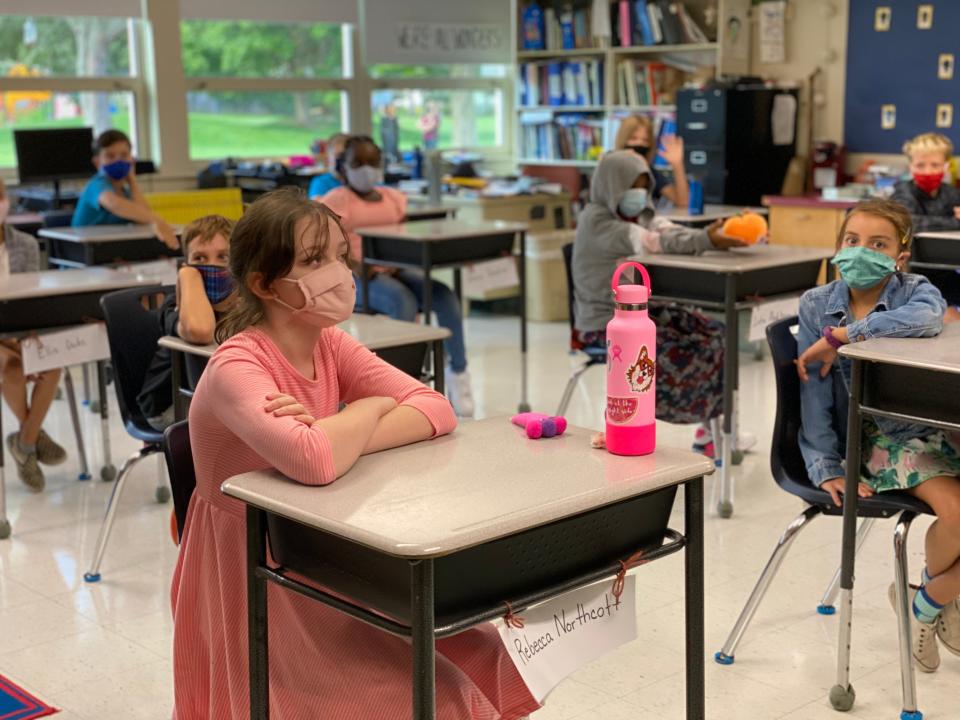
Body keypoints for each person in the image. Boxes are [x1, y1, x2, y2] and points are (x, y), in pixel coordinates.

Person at [171, 187, 539, 720]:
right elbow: (316, 461)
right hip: (258, 574)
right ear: (263, 284)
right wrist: (363, 412)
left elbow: (436, 409)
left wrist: (334, 428)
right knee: (442, 696)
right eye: (315, 259)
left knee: (491, 655)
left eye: (340, 255)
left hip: (323, 550)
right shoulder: (236, 366)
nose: (339, 273)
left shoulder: (330, 342)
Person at [796, 198, 958, 673]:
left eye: (878, 244)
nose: (860, 251)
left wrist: (843, 336)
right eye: (852, 241)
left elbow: (929, 319)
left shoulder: (917, 290)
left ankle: (926, 597)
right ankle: (933, 604)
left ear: (900, 256)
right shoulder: (816, 304)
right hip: (884, 440)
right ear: (838, 246)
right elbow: (815, 398)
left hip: (937, 427)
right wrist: (826, 467)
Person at [572, 150, 754, 456]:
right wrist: (708, 240)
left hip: (642, 314)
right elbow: (654, 241)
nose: (639, 194)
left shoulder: (638, 211)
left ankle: (714, 431)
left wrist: (712, 234)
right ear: (612, 186)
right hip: (604, 324)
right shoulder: (597, 220)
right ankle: (632, 422)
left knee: (717, 333)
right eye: (632, 186)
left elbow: (669, 230)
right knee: (682, 352)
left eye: (644, 185)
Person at [320, 135, 476, 416]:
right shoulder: (336, 201)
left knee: (443, 295)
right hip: (358, 274)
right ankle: (401, 383)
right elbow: (326, 245)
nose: (365, 169)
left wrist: (404, 257)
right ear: (345, 166)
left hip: (396, 266)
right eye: (358, 163)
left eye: (372, 162)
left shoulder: (393, 199)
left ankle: (459, 374)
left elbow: (405, 236)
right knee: (401, 299)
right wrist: (356, 263)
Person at [137, 215, 237, 430]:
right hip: (171, 406)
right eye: (199, 258)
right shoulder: (176, 305)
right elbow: (201, 331)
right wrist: (189, 276)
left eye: (223, 257)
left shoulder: (245, 302)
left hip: (223, 401)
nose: (212, 265)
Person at [0, 180, 67, 492]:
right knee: (11, 367)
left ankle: (24, 442)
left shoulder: (25, 244)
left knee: (51, 362)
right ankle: (32, 437)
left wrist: (26, 341)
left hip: (18, 332)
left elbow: (28, 302)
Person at [71, 129, 178, 250]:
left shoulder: (126, 192)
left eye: (124, 155)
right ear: (97, 162)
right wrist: (159, 220)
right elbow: (114, 204)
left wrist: (132, 182)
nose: (118, 160)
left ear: (131, 160)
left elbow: (142, 218)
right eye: (110, 156)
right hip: (85, 252)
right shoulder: (96, 185)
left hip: (110, 250)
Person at [891, 132, 960, 310]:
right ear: (910, 166)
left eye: (935, 164)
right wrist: (954, 221)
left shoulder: (950, 193)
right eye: (920, 165)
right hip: (908, 274)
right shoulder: (902, 192)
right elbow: (910, 222)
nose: (928, 171)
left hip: (946, 270)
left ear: (946, 166)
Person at [614, 114, 688, 209]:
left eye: (645, 140)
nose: (639, 144)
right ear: (623, 140)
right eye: (633, 138)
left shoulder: (650, 173)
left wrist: (677, 164)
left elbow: (683, 202)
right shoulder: (611, 170)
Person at [307, 132, 348, 200]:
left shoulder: (362, 182)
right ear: (328, 159)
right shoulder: (320, 183)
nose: (343, 160)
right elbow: (317, 207)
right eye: (338, 156)